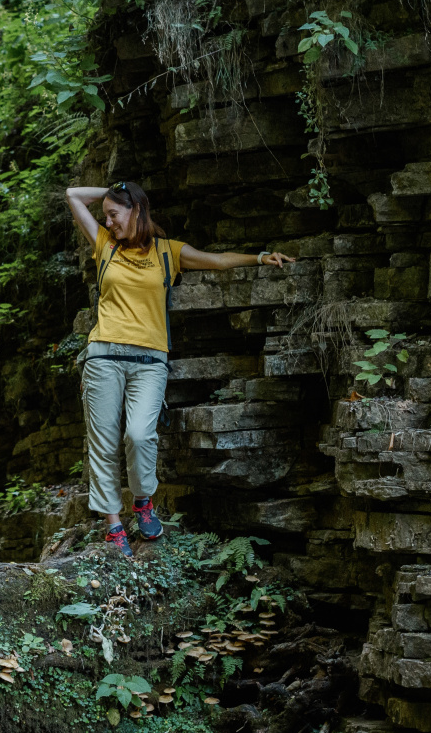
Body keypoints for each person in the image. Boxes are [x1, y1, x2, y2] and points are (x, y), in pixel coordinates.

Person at [64, 181, 294, 556]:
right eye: (105, 214)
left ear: (136, 211)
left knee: (139, 435)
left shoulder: (168, 253)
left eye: (114, 214)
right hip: (104, 355)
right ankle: (114, 526)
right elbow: (73, 195)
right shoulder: (104, 244)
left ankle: (143, 503)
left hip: (151, 360)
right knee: (103, 444)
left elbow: (216, 260)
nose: (108, 221)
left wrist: (260, 257)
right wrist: (116, 190)